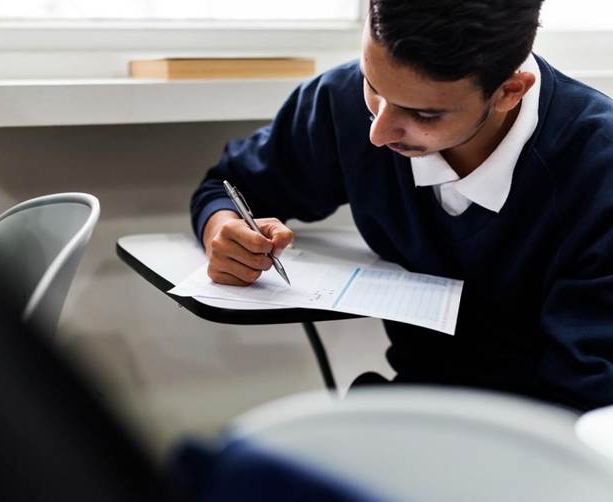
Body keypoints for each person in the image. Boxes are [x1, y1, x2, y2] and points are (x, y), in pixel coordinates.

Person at [190, 0, 613, 411]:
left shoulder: (598, 169)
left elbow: (589, 395)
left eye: (423, 114)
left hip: (548, 435)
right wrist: (223, 231)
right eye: (372, 85)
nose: (378, 131)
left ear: (508, 91)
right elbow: (230, 187)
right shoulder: (342, 103)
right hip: (411, 403)